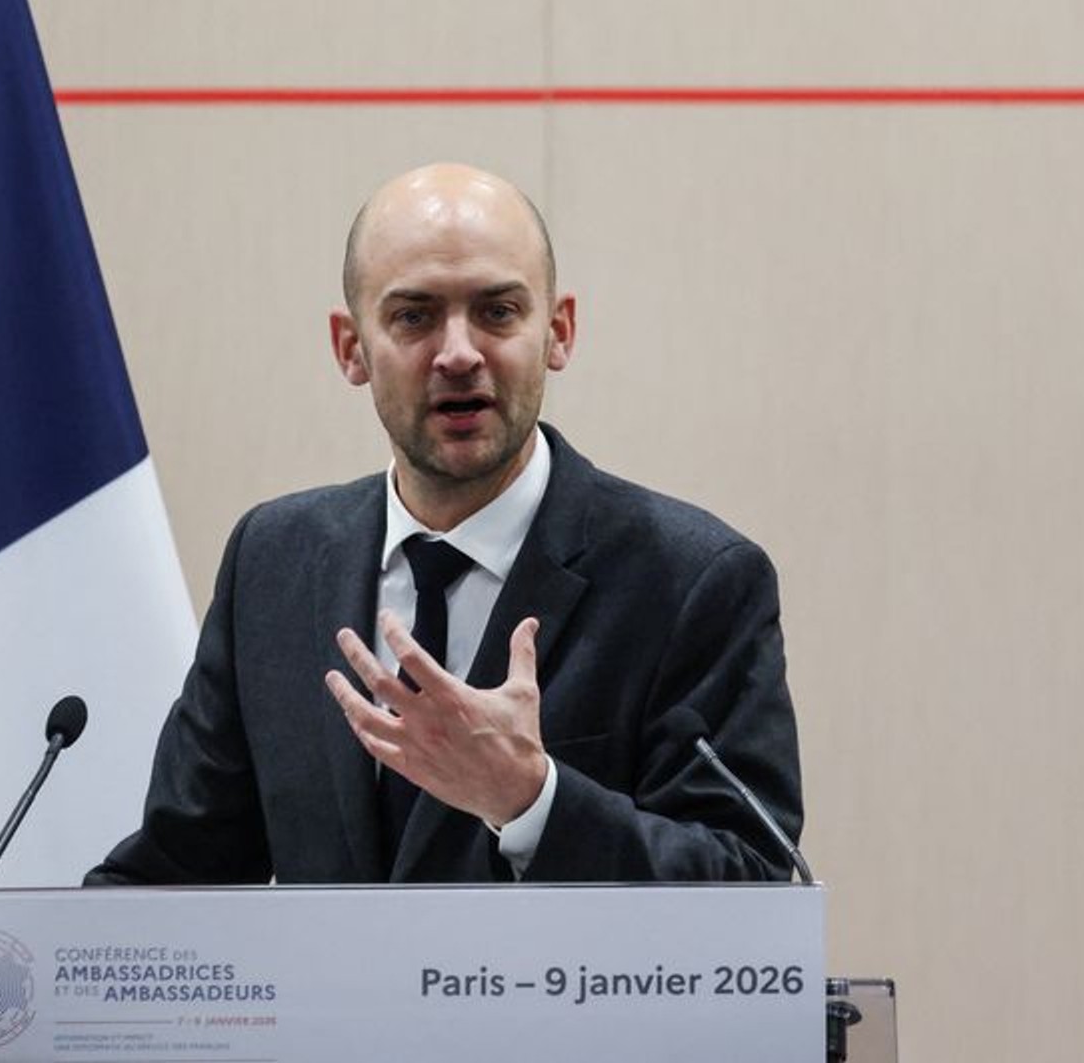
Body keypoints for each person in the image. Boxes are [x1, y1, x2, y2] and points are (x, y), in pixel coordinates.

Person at [87, 163, 802, 885]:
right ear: (351, 348)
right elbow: (176, 875)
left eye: (498, 312)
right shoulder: (273, 563)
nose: (459, 354)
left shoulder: (692, 581)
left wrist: (531, 801)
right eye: (414, 316)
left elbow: (754, 887)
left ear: (558, 333)